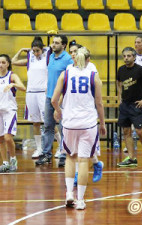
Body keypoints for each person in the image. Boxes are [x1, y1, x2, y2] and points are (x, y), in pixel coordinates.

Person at [51, 47, 106, 210]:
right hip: (88, 123)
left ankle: (69, 194)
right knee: (83, 161)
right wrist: (102, 123)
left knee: (70, 158)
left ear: (75, 59)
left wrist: (60, 112)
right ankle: (80, 200)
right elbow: (99, 103)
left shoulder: (65, 74)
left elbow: (54, 100)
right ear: (88, 60)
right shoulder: (93, 75)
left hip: (69, 123)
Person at [11, 37, 62, 159]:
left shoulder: (48, 56)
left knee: (48, 122)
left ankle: (61, 146)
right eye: (33, 51)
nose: (35, 53)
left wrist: (44, 48)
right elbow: (13, 61)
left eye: (37, 50)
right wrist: (21, 50)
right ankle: (39, 148)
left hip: (43, 93)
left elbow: (52, 46)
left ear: (42, 49)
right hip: (31, 93)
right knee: (35, 122)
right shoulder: (30, 58)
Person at [68, 40, 104, 184]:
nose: (73, 55)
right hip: (73, 111)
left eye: (75, 52)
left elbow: (96, 90)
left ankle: (92, 166)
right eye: (71, 52)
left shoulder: (91, 68)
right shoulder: (69, 68)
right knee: (77, 147)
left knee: (87, 145)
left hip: (88, 111)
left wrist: (100, 119)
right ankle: (93, 165)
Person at [35, 35, 73, 167]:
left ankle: (63, 154)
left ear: (64, 45)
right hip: (49, 97)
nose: (53, 45)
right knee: (48, 126)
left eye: (57, 43)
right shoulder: (51, 56)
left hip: (62, 99)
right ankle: (46, 154)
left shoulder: (68, 59)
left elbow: (68, 81)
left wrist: (61, 99)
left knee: (64, 128)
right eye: (53, 42)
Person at [116, 47, 142, 167]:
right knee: (126, 131)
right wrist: (120, 98)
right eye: (124, 56)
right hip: (125, 105)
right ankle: (131, 158)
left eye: (128, 56)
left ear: (134, 57)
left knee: (139, 130)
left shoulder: (141, 70)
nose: (126, 58)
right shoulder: (121, 70)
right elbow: (119, 84)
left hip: (136, 105)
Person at [0, 54, 26, 173]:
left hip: (9, 110)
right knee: (0, 139)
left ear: (8, 64)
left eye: (3, 62)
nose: (0, 65)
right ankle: (5, 163)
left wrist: (14, 84)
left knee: (8, 137)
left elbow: (23, 87)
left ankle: (13, 160)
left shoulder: (12, 76)